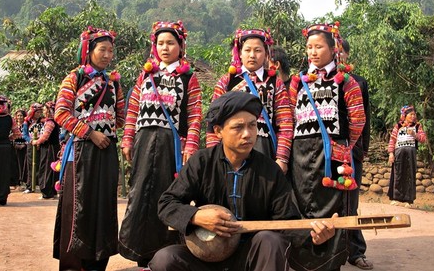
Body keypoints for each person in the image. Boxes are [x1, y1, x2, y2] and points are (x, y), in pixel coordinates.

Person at [148, 91, 336, 271]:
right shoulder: (201, 162)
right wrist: (196, 216)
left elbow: (286, 222)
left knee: (271, 241)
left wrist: (314, 236)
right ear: (218, 131)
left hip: (250, 257)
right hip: (204, 257)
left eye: (252, 125)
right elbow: (166, 204)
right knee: (165, 259)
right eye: (238, 127)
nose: (247, 133)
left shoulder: (270, 170)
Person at [118, 20, 202, 267]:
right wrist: (127, 139)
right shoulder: (146, 74)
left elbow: (195, 115)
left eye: (170, 43)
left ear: (180, 46)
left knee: (169, 194)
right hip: (144, 141)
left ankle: (167, 254)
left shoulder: (188, 78)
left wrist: (190, 146)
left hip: (171, 144)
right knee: (140, 193)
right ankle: (138, 252)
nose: (165, 48)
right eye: (160, 43)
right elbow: (133, 109)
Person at [288, 22, 366, 271]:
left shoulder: (347, 82)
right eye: (309, 47)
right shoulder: (297, 82)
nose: (312, 52)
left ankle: (330, 264)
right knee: (301, 203)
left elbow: (358, 120)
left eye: (319, 46)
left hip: (332, 157)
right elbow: (289, 117)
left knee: (332, 208)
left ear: (333, 49)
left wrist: (342, 147)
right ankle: (301, 261)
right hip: (300, 154)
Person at [53, 26, 125, 271]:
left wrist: (112, 133)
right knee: (78, 208)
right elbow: (60, 114)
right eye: (102, 49)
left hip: (106, 152)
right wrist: (91, 133)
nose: (107, 55)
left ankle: (98, 262)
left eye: (110, 51)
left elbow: (122, 116)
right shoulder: (74, 78)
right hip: (81, 152)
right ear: (88, 50)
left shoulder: (114, 82)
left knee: (103, 206)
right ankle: (75, 265)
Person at [207, 28, 293, 174]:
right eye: (247, 50)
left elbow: (285, 123)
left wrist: (282, 158)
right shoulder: (226, 81)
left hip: (264, 147)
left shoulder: (275, 83)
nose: (252, 55)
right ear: (240, 53)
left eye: (258, 50)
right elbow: (213, 121)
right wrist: (213, 155)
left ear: (266, 53)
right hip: (230, 146)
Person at [341, 39, 373, 270]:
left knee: (351, 203)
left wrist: (361, 150)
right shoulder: (314, 81)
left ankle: (355, 252)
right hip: (325, 153)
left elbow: (365, 120)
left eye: (341, 52)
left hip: (353, 152)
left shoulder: (358, 82)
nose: (338, 56)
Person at [387, 105, 427, 208]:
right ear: (404, 116)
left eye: (414, 114)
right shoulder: (398, 126)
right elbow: (392, 140)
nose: (413, 116)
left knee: (409, 175)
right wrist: (391, 153)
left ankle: (408, 201)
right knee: (398, 174)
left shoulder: (417, 126)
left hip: (411, 153)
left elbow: (423, 139)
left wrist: (415, 135)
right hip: (399, 152)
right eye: (411, 114)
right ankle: (397, 198)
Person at [31, 101, 60, 199]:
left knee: (46, 169)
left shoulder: (50, 122)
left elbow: (45, 136)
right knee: (51, 170)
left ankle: (47, 191)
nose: (43, 111)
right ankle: (52, 191)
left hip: (49, 148)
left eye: (44, 109)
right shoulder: (52, 121)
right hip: (52, 148)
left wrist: (36, 142)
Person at [21, 103, 44, 194]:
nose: (39, 114)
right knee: (31, 165)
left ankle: (40, 184)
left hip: (41, 144)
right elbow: (24, 135)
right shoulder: (27, 122)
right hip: (31, 145)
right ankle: (30, 185)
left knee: (41, 164)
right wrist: (31, 141)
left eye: (40, 112)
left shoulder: (42, 121)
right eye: (37, 112)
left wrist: (40, 141)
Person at [12, 109, 29, 189]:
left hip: (24, 147)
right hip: (15, 147)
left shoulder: (26, 125)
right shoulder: (14, 125)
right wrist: (15, 144)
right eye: (18, 115)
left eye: (21, 115)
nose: (19, 117)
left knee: (23, 164)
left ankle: (23, 180)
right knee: (15, 164)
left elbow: (27, 135)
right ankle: (16, 181)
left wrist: (22, 144)